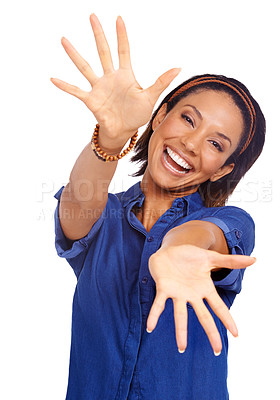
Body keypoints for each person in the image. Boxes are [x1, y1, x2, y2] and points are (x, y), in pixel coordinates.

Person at [51, 13, 265, 400]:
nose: (192, 144)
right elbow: (80, 199)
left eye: (216, 144)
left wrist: (179, 249)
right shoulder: (105, 217)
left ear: (225, 169)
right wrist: (112, 137)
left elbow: (205, 238)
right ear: (161, 115)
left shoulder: (230, 222)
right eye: (187, 119)